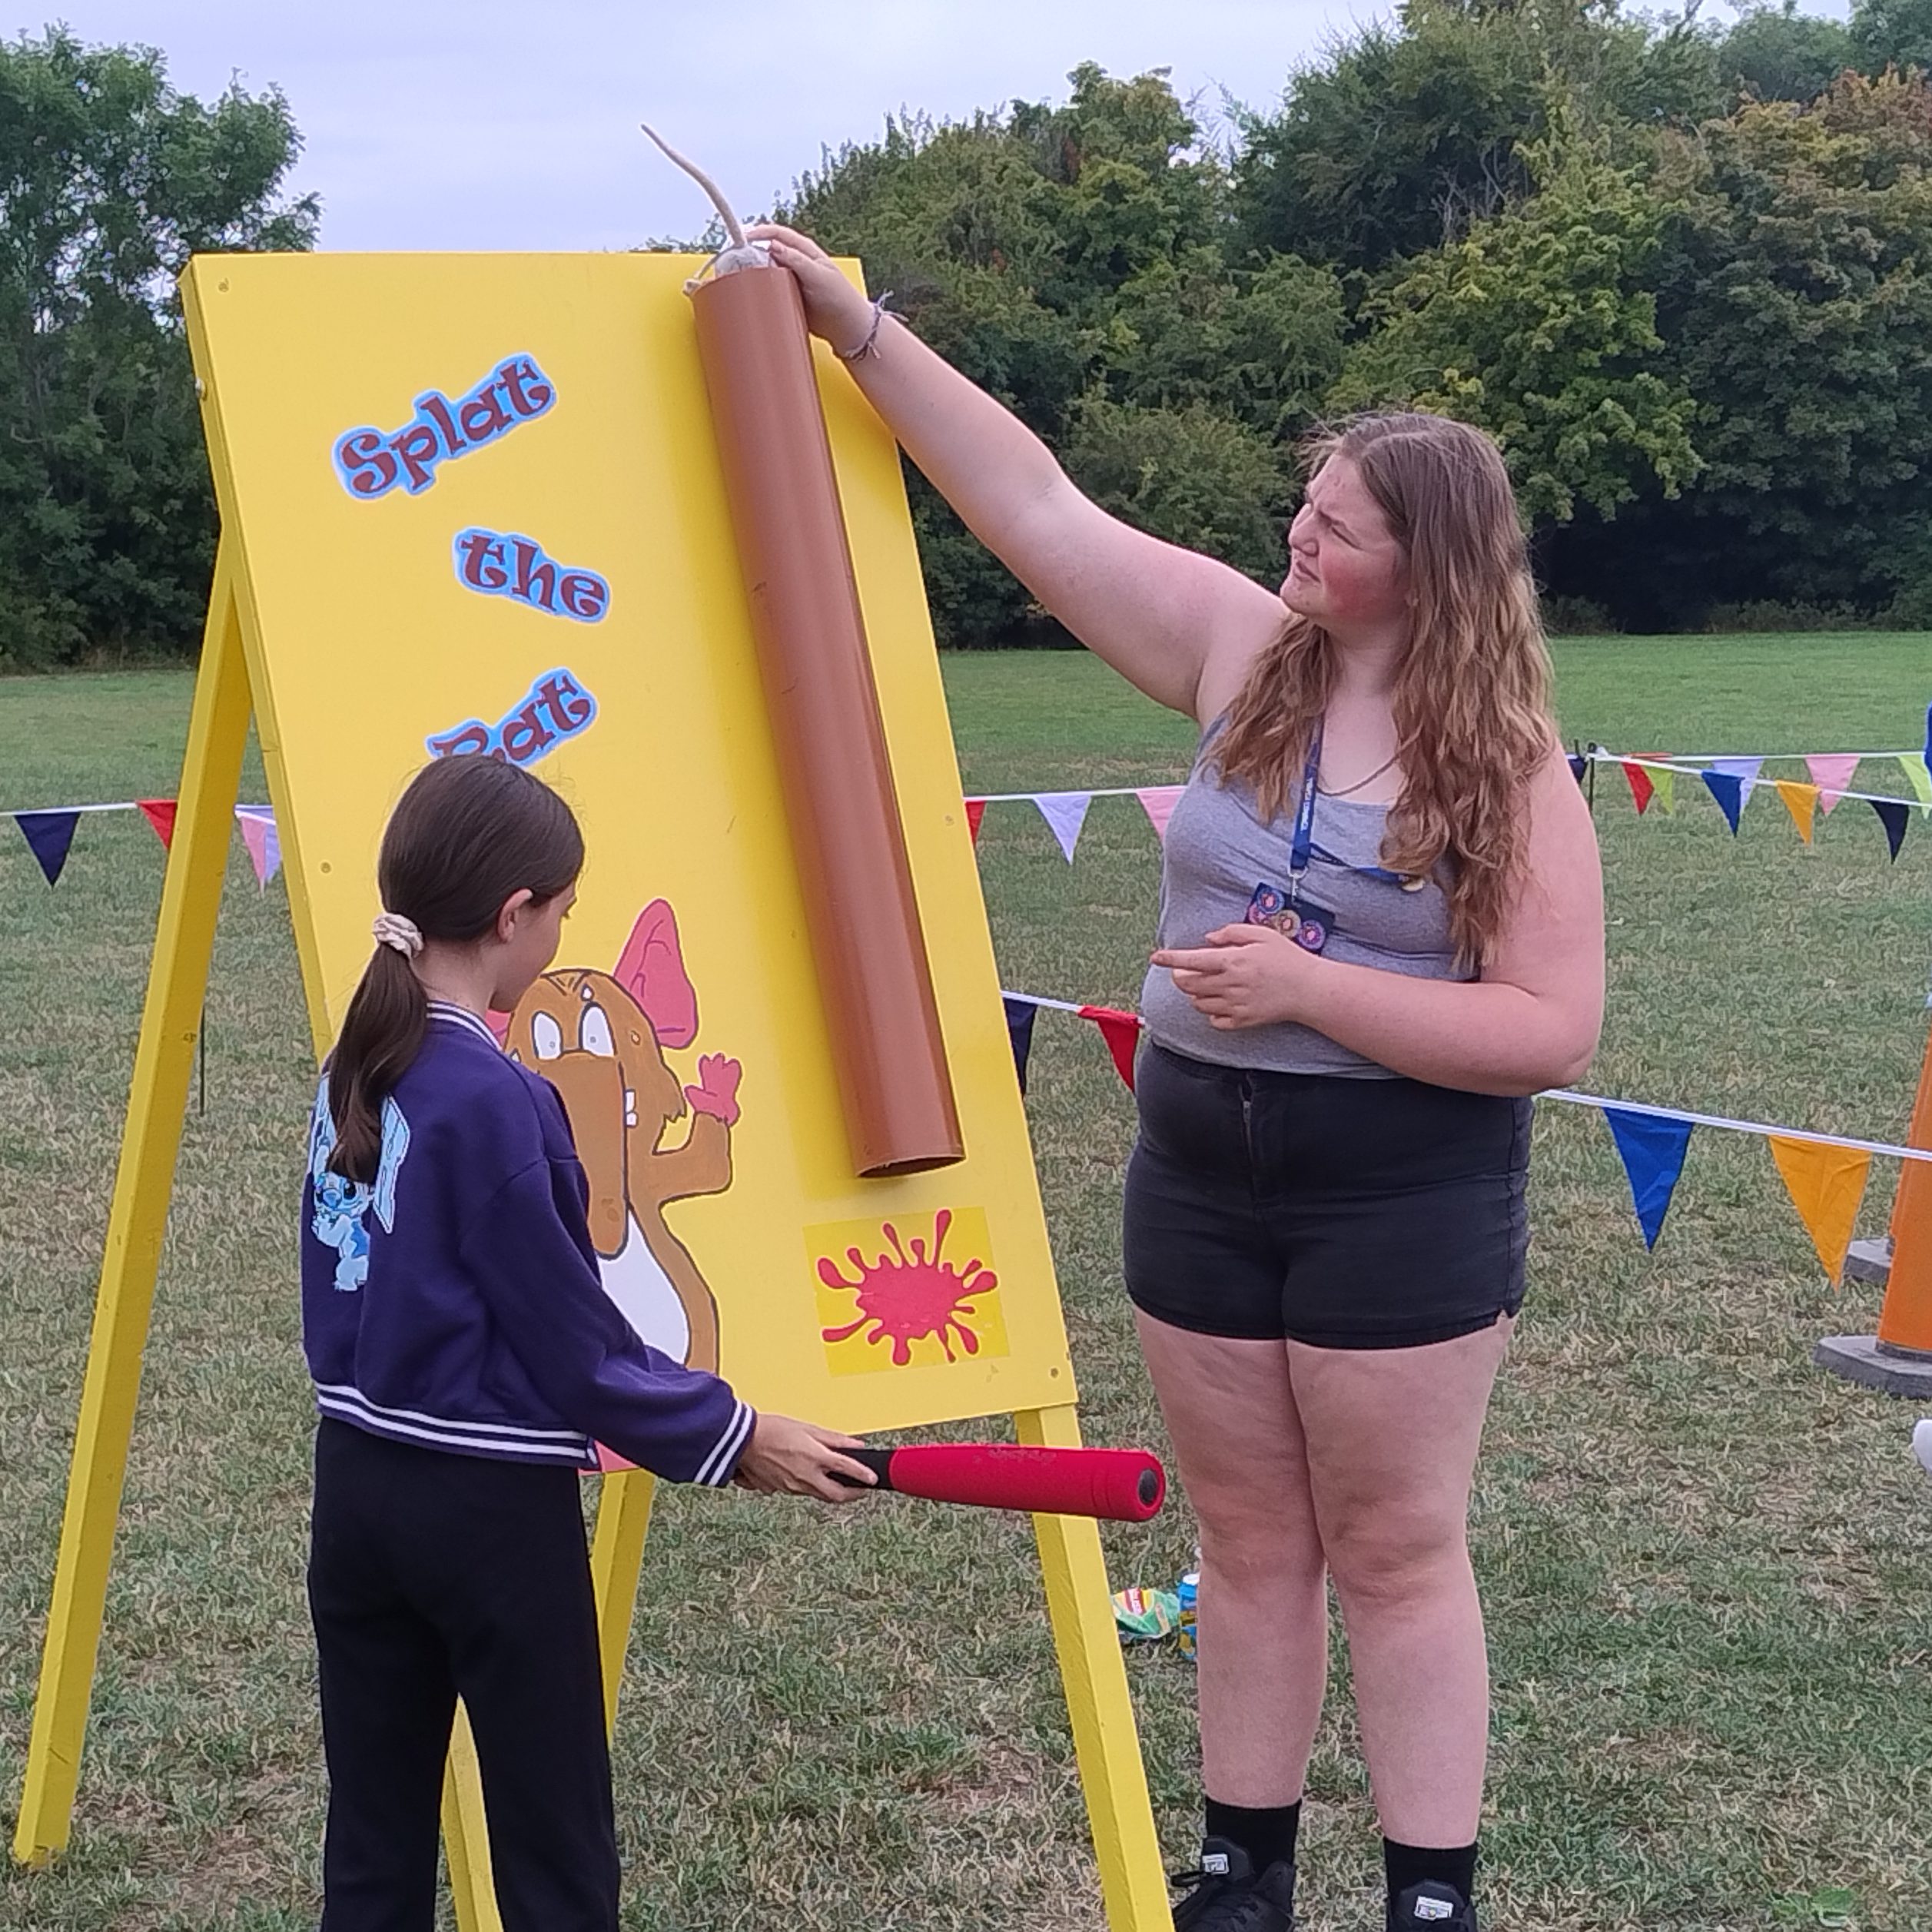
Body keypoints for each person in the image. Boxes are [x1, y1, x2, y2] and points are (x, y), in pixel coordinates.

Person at [750, 224, 1605, 1932]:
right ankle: (1241, 1875)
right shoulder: (1239, 648)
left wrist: (1311, 988)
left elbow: (1549, 1027)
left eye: (1336, 525)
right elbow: (1036, 504)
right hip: (1200, 1172)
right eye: (1306, 504)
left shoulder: (1504, 764)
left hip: (1399, 1194)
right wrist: (859, 330)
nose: (1298, 532)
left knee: (1394, 1548)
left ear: (1426, 569)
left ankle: (1429, 1895)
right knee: (1247, 1539)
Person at [301, 752, 875, 1932]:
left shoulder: (353, 1060)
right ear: (514, 913)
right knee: (555, 1854)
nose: (564, 931)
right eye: (563, 909)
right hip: (488, 1519)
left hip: (353, 1494)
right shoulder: (500, 1099)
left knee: (370, 1847)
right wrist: (736, 1433)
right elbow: (581, 1350)